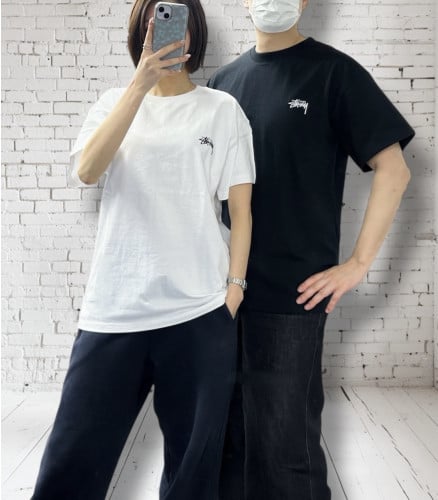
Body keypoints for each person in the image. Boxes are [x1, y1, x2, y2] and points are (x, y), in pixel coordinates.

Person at [30, 1, 256, 499]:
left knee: (192, 480)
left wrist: (234, 291)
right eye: (156, 19)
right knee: (68, 469)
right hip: (116, 310)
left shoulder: (222, 110)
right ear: (140, 30)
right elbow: (87, 171)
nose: (167, 30)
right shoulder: (112, 102)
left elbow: (240, 211)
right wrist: (139, 85)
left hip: (199, 313)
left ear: (193, 33)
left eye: (177, 20)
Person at [208, 0, 415, 499]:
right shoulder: (222, 84)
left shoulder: (333, 73)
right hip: (219, 294)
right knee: (226, 446)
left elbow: (394, 169)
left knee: (284, 451)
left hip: (293, 295)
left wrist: (357, 264)